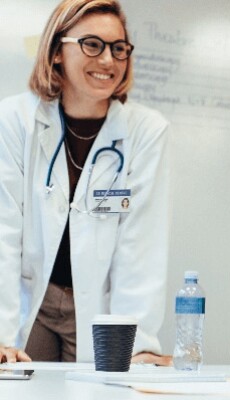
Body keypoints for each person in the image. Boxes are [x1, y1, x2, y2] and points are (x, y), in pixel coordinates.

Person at [0, 0, 170, 365]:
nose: (109, 60)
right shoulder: (14, 120)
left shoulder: (146, 131)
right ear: (57, 51)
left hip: (97, 306)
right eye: (92, 45)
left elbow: (141, 245)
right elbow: (4, 230)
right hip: (33, 299)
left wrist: (137, 341)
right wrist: (0, 333)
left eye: (119, 48)